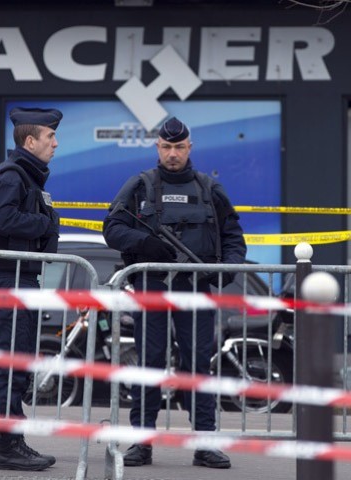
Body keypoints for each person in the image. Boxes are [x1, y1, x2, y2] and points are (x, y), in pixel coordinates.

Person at [102, 117, 246, 469]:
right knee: (149, 363)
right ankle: (142, 443)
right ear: (158, 148)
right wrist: (146, 243)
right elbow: (113, 227)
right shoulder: (140, 186)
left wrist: (223, 271)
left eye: (179, 147)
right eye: (166, 147)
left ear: (189, 148)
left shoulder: (209, 189)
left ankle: (205, 444)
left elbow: (233, 238)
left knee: (198, 364)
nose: (172, 153)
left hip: (195, 288)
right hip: (152, 287)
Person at [0, 107, 62, 471]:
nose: (55, 144)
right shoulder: (13, 176)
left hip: (22, 279)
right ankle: (7, 447)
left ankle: (15, 441)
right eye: (50, 137)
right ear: (30, 141)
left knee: (19, 363)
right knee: (10, 363)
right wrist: (44, 224)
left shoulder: (27, 178)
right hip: (10, 280)